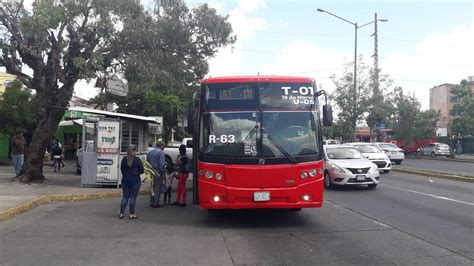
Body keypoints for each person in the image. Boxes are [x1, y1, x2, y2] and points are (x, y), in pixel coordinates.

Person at [119, 145, 144, 219]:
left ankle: (121, 213)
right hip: (135, 180)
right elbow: (142, 170)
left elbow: (122, 169)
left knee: (125, 197)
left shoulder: (124, 159)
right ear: (135, 151)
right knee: (133, 197)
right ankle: (131, 214)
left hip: (125, 180)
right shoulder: (137, 160)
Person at [146, 142, 166, 208]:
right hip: (158, 171)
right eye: (163, 146)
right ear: (161, 146)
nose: (164, 147)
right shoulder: (161, 153)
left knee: (152, 186)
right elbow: (162, 165)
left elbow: (147, 163)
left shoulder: (150, 152)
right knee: (157, 187)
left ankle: (151, 201)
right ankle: (156, 202)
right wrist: (164, 172)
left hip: (151, 170)